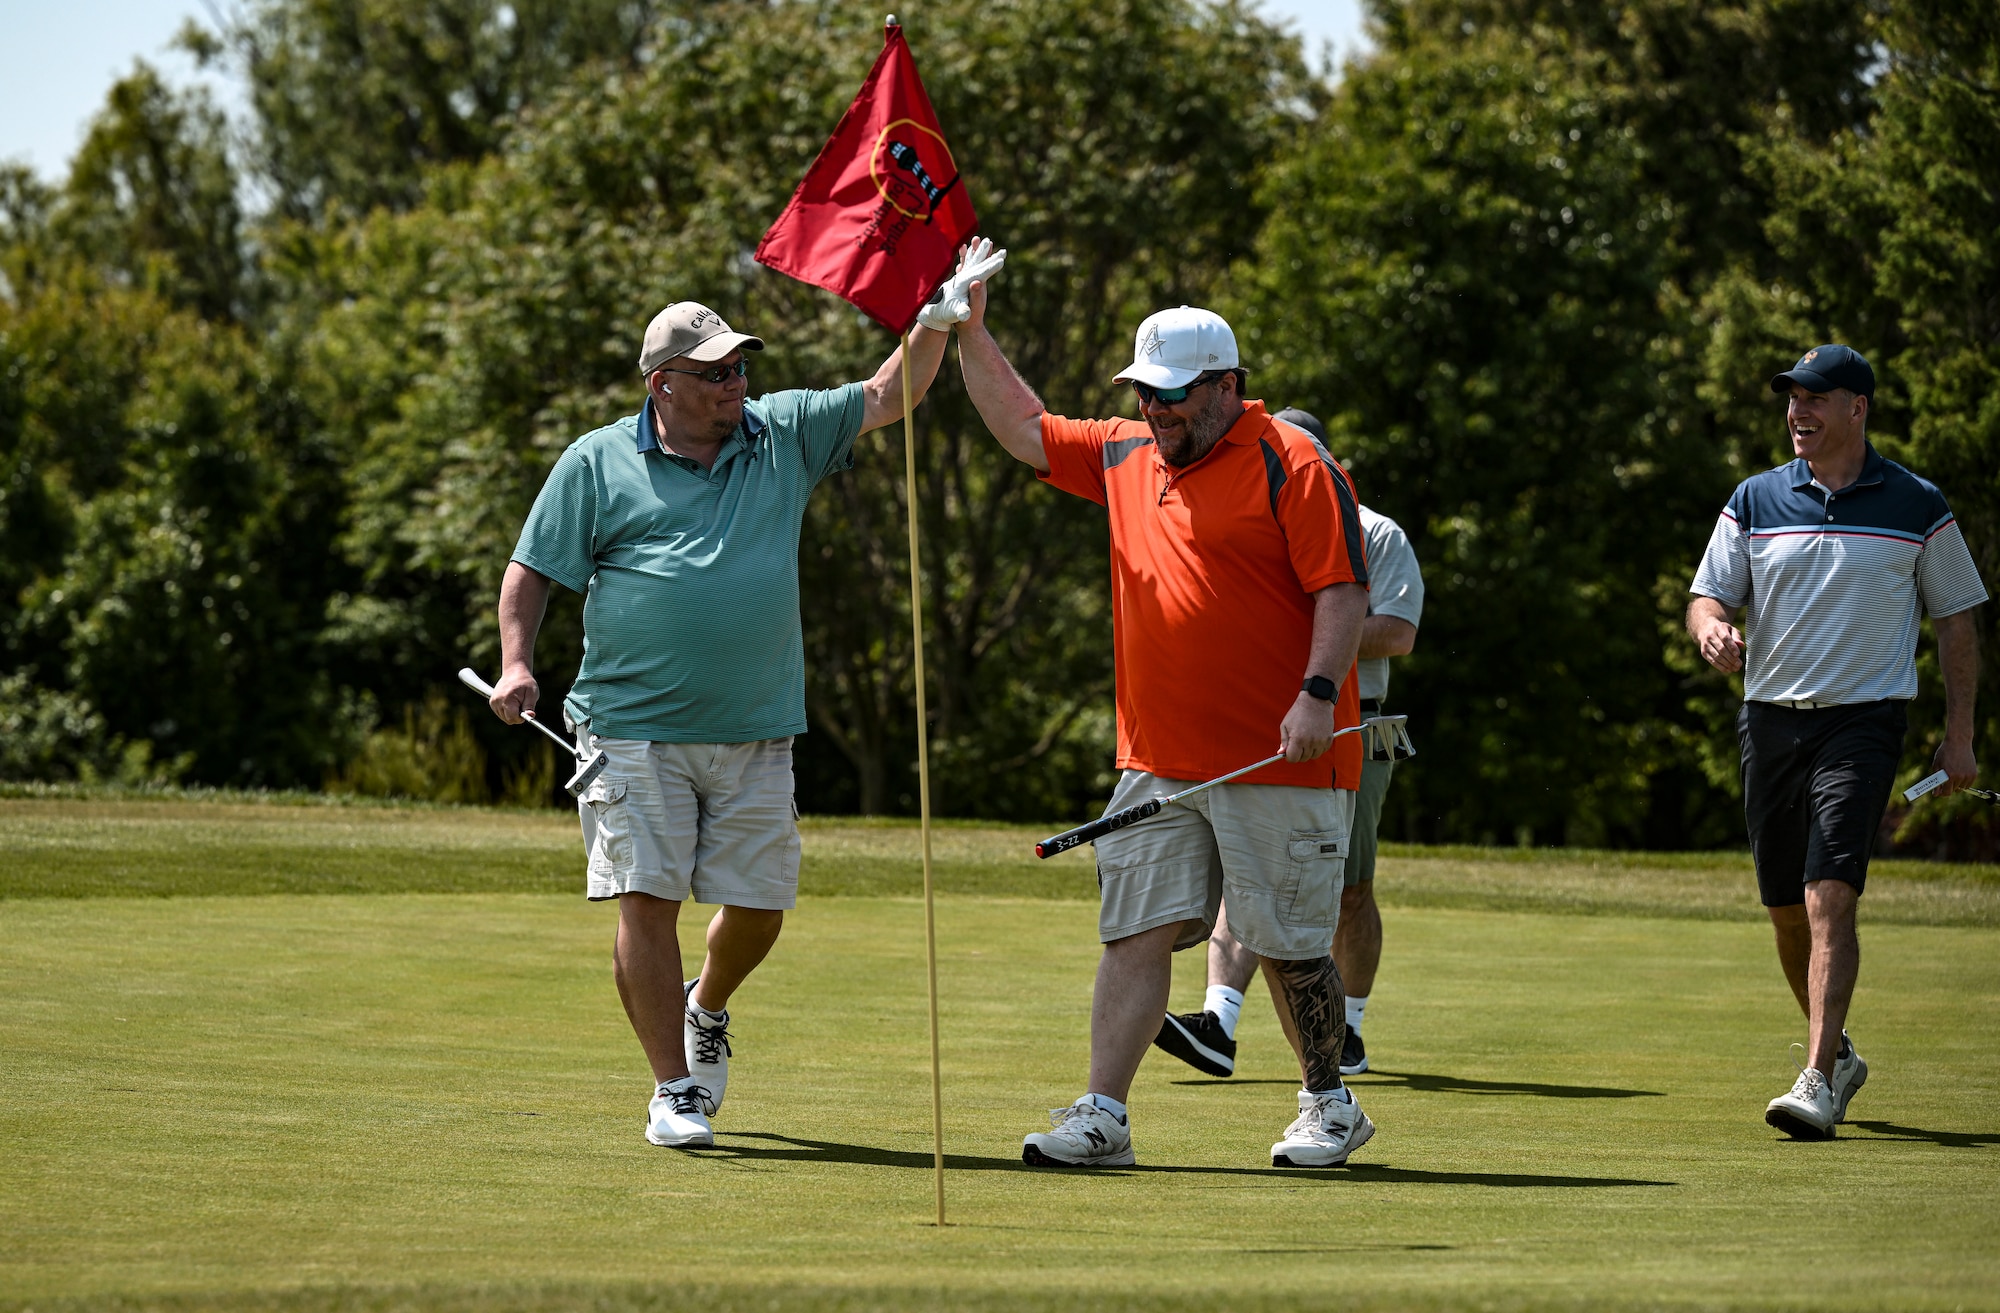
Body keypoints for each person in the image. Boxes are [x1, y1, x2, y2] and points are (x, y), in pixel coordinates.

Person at [485, 260, 984, 1148]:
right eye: (714, 372)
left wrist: (936, 323)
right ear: (662, 384)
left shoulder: (781, 431)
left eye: (739, 367)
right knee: (646, 896)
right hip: (630, 726)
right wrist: (517, 663)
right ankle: (672, 1090)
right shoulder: (596, 460)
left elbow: (884, 395)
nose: (735, 383)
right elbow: (531, 573)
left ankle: (704, 1004)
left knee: (760, 907)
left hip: (756, 727)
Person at [954, 285, 1375, 1169]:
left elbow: (1341, 590)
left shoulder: (1292, 462)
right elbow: (1025, 426)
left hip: (1280, 753)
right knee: (1133, 931)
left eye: (1173, 392)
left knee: (1288, 941)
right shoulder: (1127, 453)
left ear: (1226, 385)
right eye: (1145, 390)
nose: (1155, 407)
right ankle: (1104, 1113)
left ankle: (1329, 1104)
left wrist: (1317, 691)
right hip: (1161, 759)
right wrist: (971, 331)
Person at [1687, 344, 1986, 1140]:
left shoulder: (1917, 503)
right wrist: (1712, 627)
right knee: (1787, 909)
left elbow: (1956, 622)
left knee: (1829, 897)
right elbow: (1708, 596)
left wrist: (1960, 737)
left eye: (1816, 398)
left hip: (1863, 721)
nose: (1798, 411)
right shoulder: (1754, 498)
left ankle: (1816, 1076)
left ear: (1859, 406)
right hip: (1770, 720)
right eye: (1791, 398)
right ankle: (1841, 1052)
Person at [1152, 407, 1423, 1081]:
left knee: (1350, 889)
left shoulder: (1376, 532)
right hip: (1256, 718)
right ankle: (1218, 1021)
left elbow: (1396, 630)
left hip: (1356, 722)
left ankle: (1349, 1031)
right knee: (1248, 873)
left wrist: (1310, 633)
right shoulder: (1245, 517)